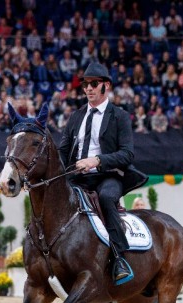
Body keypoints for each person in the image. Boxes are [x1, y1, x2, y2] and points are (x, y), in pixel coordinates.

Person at [59, 62, 148, 285]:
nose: (88, 88)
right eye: (85, 84)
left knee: (107, 198)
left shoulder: (119, 116)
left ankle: (119, 259)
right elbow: (62, 150)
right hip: (77, 176)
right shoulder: (76, 116)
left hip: (108, 176)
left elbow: (127, 154)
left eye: (93, 84)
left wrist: (97, 161)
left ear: (105, 86)